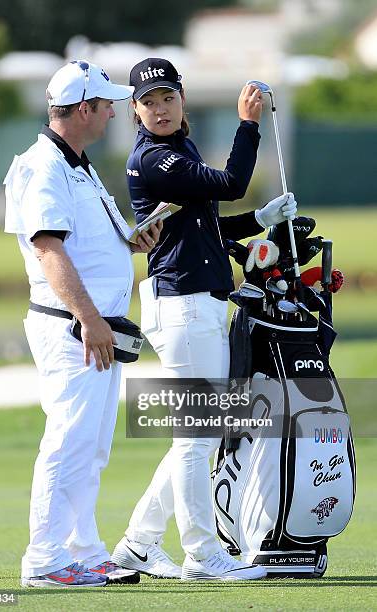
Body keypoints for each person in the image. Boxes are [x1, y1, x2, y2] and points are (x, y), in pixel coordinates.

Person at [112, 58, 297, 581]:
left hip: (199, 302)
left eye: (167, 98)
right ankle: (201, 554)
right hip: (184, 305)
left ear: (181, 99)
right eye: (148, 102)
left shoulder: (178, 150)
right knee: (198, 435)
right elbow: (233, 182)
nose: (159, 108)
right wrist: (248, 123)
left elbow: (207, 222)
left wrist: (262, 221)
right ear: (136, 110)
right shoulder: (155, 159)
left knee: (199, 433)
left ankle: (138, 544)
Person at [4, 60, 162, 588]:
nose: (116, 111)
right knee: (69, 439)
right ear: (83, 109)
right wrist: (89, 318)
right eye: (107, 104)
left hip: (93, 327)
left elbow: (84, 239)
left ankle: (83, 549)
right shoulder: (44, 165)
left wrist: (131, 239)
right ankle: (44, 561)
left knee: (91, 444)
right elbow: (48, 248)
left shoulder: (77, 163)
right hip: (72, 327)